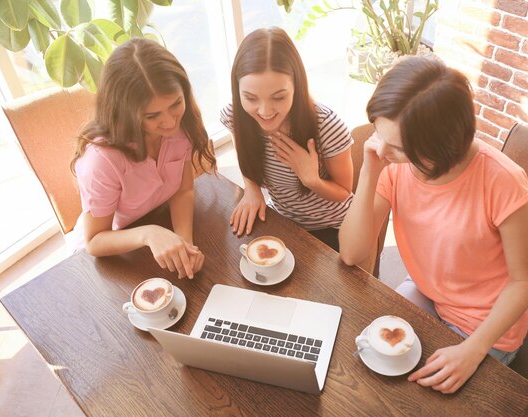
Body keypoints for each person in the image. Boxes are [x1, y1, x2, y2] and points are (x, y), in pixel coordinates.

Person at [339, 56, 528, 394]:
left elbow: (525, 283)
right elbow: (351, 253)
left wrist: (473, 350)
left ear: (442, 147)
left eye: (399, 148)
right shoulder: (391, 165)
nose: (383, 151)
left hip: (484, 324)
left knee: (416, 396)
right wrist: (369, 172)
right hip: (428, 290)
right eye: (378, 132)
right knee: (365, 356)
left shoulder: (504, 183)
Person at [71, 38, 216, 279]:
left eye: (175, 103)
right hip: (113, 254)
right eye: (152, 115)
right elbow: (95, 241)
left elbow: (182, 191)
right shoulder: (102, 159)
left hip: (158, 228)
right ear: (126, 113)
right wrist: (149, 234)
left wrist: (184, 243)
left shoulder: (184, 124)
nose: (170, 122)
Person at [220, 27, 354, 251]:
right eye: (251, 97)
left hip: (333, 226)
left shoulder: (326, 126)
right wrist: (251, 189)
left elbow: (344, 192)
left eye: (279, 97)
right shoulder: (236, 117)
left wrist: (312, 180)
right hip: (282, 220)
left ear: (296, 86)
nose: (264, 111)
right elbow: (242, 149)